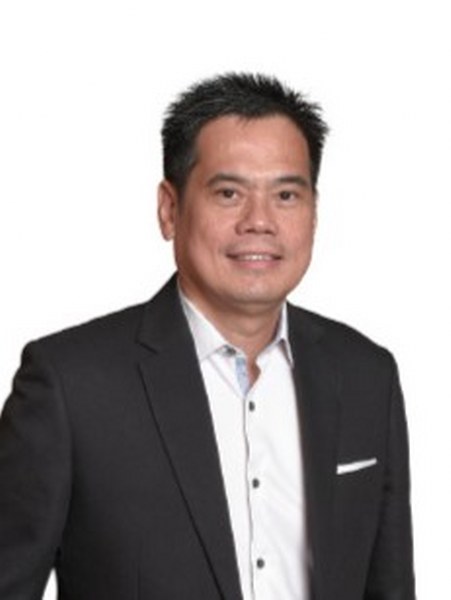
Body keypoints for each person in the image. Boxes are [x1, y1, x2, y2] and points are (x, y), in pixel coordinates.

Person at [0, 73, 415, 600]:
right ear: (169, 209)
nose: (259, 221)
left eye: (286, 194)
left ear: (314, 212)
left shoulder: (366, 376)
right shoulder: (70, 386)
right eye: (229, 193)